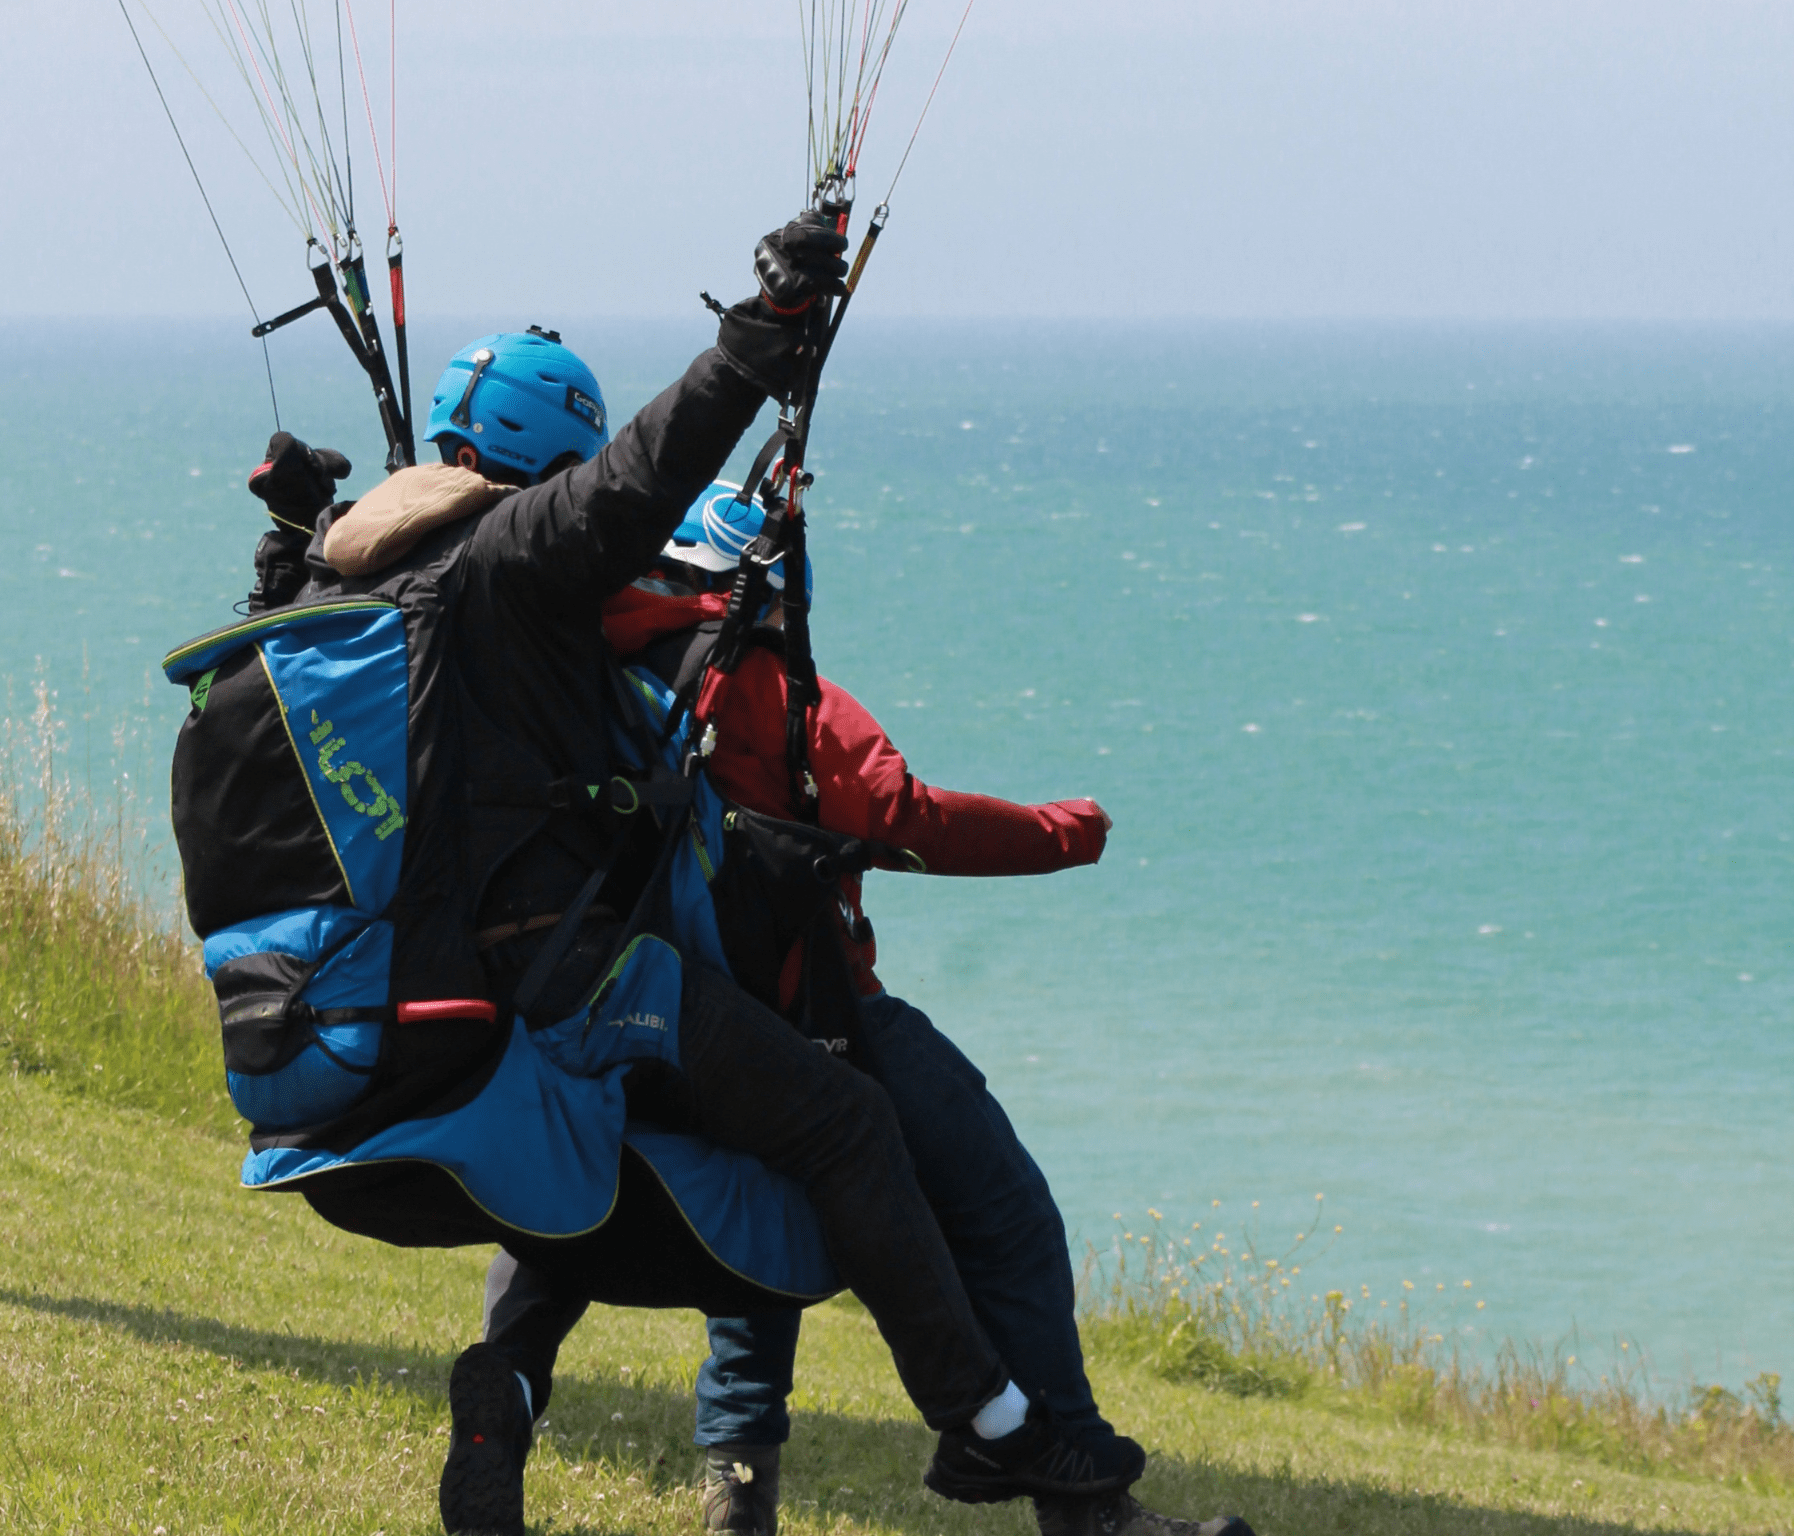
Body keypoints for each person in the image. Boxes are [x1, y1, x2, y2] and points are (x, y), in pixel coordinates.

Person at [216, 215, 1143, 1535]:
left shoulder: (355, 584)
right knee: (843, 1126)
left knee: (601, 1189)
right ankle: (998, 1430)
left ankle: (518, 1399)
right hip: (579, 973)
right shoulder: (519, 566)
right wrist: (757, 342)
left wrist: (288, 537)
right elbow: (645, 482)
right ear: (553, 461)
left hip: (401, 980)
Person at [463, 485, 1254, 1536]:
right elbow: (898, 815)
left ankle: (716, 1502)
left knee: (743, 1232)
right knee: (1003, 1209)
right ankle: (1085, 1508)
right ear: (766, 592)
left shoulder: (581, 671)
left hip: (629, 1006)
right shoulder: (764, 687)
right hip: (801, 1006)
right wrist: (1065, 833)